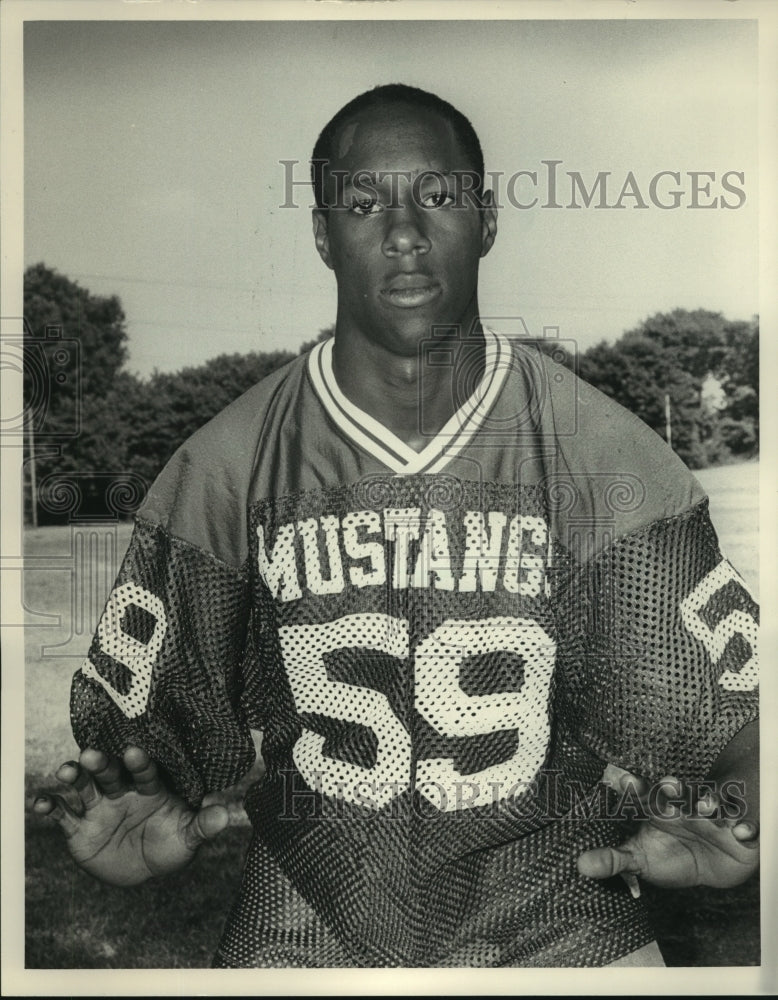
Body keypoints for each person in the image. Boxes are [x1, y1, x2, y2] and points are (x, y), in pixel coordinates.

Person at [33, 84, 759, 968]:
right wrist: (141, 809)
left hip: (562, 919)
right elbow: (151, 741)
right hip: (304, 926)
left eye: (440, 197)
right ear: (320, 234)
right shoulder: (223, 467)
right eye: (365, 202)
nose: (405, 230)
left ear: (487, 219)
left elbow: (729, 719)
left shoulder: (600, 450)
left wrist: (745, 799)